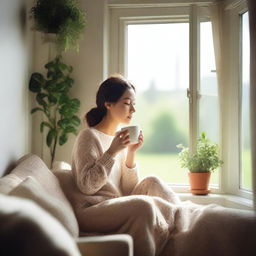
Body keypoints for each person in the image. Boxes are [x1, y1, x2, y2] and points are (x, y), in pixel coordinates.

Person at [71, 74, 180, 256]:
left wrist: (130, 152)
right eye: (127, 103)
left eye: (134, 104)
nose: (133, 110)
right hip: (91, 210)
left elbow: (128, 189)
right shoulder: (88, 137)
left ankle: (183, 222)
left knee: (152, 181)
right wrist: (112, 152)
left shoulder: (118, 138)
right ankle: (173, 231)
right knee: (143, 206)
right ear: (108, 104)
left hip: (115, 203)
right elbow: (87, 186)